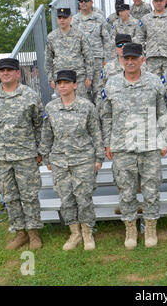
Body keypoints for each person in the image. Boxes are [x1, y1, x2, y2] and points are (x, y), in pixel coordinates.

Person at [101, 43, 167, 250]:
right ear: (121, 60)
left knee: (151, 189)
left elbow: (162, 113)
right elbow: (106, 116)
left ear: (142, 59)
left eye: (134, 58)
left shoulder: (154, 82)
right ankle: (130, 228)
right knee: (126, 191)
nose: (130, 62)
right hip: (122, 146)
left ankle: (150, 228)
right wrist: (107, 142)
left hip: (149, 146)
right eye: (126, 58)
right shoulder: (111, 84)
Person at [0, 58, 44, 250]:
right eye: (2, 70)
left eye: (10, 70)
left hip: (25, 155)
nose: (5, 73)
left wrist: (40, 150)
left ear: (17, 73)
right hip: (0, 157)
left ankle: (34, 233)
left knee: (29, 195)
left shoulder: (30, 95)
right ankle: (20, 233)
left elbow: (40, 125)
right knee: (10, 196)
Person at [40, 70, 104, 251]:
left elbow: (96, 133)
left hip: (83, 159)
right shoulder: (51, 108)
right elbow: (46, 135)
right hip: (60, 160)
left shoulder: (86, 106)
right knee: (66, 198)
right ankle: (74, 233)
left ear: (75, 85)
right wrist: (46, 157)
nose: (62, 86)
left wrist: (99, 157)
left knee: (83, 198)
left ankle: (87, 232)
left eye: (66, 82)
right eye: (59, 82)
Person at [72, 0, 113, 105]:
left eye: (86, 0)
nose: (83, 3)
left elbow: (107, 40)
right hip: (81, 61)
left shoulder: (99, 19)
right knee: (82, 91)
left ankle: (100, 116)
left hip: (97, 59)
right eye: (81, 1)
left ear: (91, 2)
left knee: (98, 89)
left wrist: (106, 59)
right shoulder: (74, 20)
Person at [45, 8, 94, 100]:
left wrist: (89, 76)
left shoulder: (79, 35)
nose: (62, 20)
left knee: (81, 103)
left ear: (70, 18)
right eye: (59, 18)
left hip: (78, 77)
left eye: (65, 17)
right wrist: (51, 78)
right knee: (62, 105)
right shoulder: (51, 37)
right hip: (60, 78)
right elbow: (48, 59)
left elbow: (89, 57)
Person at [134, 0, 167, 78]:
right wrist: (141, 55)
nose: (159, 3)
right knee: (153, 82)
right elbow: (139, 38)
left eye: (161, 0)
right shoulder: (146, 19)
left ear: (165, 2)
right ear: (153, 2)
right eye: (156, 1)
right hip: (152, 58)